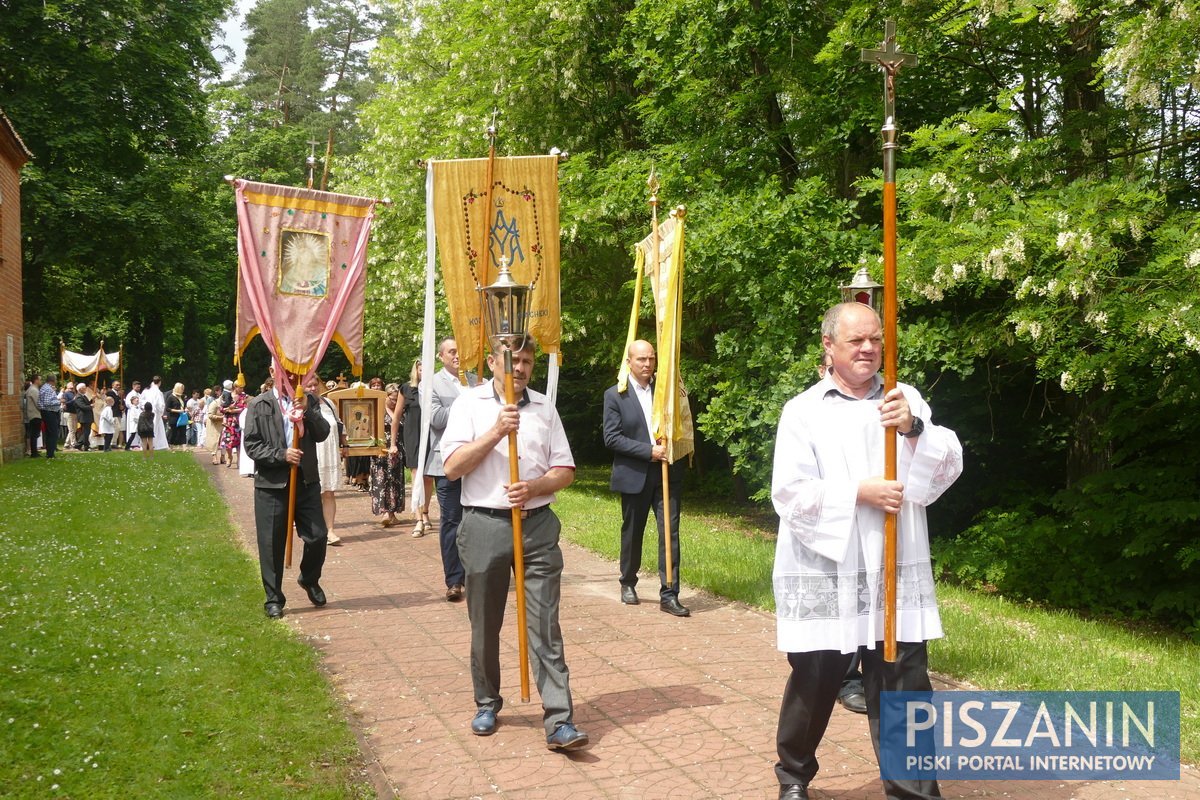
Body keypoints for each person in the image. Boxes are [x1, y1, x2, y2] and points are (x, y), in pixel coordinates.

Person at [770, 302, 963, 800]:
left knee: (903, 684)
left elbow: (946, 466)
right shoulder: (803, 410)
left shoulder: (905, 398)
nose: (868, 348)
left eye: (875, 339)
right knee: (815, 679)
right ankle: (793, 775)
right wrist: (859, 492)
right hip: (828, 568)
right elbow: (789, 493)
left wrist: (913, 429)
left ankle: (913, 790)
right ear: (828, 346)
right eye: (856, 340)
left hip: (894, 568)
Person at [442, 335, 588, 751]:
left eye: (527, 362)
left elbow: (565, 469)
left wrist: (536, 486)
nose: (520, 369)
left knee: (545, 624)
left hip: (537, 526)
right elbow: (452, 469)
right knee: (485, 622)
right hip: (484, 525)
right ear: (492, 362)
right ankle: (487, 702)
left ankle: (560, 719)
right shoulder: (468, 405)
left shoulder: (545, 407)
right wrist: (496, 431)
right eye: (513, 361)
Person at [602, 339, 690, 617]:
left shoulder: (666, 393)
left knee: (669, 533)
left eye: (651, 359)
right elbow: (612, 437)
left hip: (666, 473)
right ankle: (628, 581)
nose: (647, 364)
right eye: (641, 359)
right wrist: (648, 451)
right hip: (635, 473)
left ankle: (669, 592)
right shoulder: (616, 395)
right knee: (632, 532)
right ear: (629, 362)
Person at [242, 367, 332, 619]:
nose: (294, 379)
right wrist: (280, 455)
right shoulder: (260, 404)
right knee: (271, 543)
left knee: (318, 536)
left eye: (298, 374)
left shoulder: (310, 399)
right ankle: (274, 598)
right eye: (288, 373)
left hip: (306, 482)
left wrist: (308, 411)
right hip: (272, 484)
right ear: (273, 371)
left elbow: (322, 433)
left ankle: (309, 578)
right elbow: (251, 444)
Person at [428, 337, 472, 602]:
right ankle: (454, 580)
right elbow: (436, 418)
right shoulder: (431, 383)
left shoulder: (477, 379)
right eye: (452, 351)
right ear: (441, 356)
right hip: (445, 463)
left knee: (475, 519)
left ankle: (474, 572)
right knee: (452, 521)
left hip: (475, 462)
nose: (457, 355)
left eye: (460, 350)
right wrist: (466, 401)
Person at [308, 372, 346, 546]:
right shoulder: (300, 404)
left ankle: (330, 531)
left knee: (329, 492)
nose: (313, 388)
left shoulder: (329, 403)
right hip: (311, 453)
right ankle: (315, 531)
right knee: (311, 494)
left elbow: (339, 424)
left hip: (329, 453)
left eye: (315, 384)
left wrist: (344, 445)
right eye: (309, 385)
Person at [400, 358, 433, 537]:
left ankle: (426, 511)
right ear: (416, 370)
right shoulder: (406, 389)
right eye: (420, 369)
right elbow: (397, 415)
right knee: (416, 475)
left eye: (426, 369)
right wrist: (391, 444)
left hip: (429, 435)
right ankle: (418, 518)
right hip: (413, 435)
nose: (423, 372)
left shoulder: (432, 389)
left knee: (428, 477)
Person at [369, 385, 405, 528]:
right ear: (386, 396)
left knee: (395, 481)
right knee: (381, 480)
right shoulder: (378, 410)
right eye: (392, 399)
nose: (395, 402)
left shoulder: (400, 411)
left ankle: (392, 513)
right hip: (381, 450)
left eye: (397, 399)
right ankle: (385, 512)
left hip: (397, 451)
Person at [220, 384, 247, 468]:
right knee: (228, 441)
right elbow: (221, 408)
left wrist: (233, 410)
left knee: (239, 442)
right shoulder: (226, 395)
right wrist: (227, 409)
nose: (242, 389)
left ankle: (239, 460)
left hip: (239, 422)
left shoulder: (244, 396)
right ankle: (229, 457)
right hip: (228, 423)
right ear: (235, 387)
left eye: (242, 387)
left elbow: (245, 408)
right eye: (240, 387)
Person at [141, 376, 169, 451]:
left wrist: (144, 408)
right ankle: (153, 444)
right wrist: (161, 412)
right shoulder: (158, 392)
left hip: (147, 411)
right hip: (155, 412)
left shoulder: (147, 391)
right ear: (160, 382)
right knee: (154, 428)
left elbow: (142, 401)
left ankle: (154, 444)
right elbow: (160, 404)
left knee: (153, 428)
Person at [37, 374, 61, 459]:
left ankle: (50, 452)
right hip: (49, 412)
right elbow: (47, 403)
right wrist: (59, 401)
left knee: (50, 432)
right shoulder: (47, 389)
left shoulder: (46, 387)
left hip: (48, 412)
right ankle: (50, 454)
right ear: (53, 380)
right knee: (53, 432)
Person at [23, 374, 42, 457]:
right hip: (35, 414)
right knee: (34, 434)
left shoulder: (32, 389)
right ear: (36, 380)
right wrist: (43, 409)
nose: (40, 381)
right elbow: (38, 403)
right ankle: (34, 453)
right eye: (40, 380)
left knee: (34, 434)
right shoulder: (33, 390)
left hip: (33, 414)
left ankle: (34, 451)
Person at [72, 384, 94, 451]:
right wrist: (91, 406)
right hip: (84, 417)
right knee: (85, 432)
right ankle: (79, 445)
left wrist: (92, 400)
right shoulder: (78, 397)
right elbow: (82, 406)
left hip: (87, 416)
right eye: (84, 388)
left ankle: (85, 446)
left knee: (86, 432)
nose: (85, 389)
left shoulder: (83, 396)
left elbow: (86, 403)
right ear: (80, 389)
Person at [166, 382, 188, 448]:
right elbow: (167, 408)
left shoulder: (182, 397)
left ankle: (184, 447)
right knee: (173, 433)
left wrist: (185, 409)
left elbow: (184, 405)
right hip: (174, 417)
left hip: (182, 417)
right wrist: (177, 411)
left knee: (183, 432)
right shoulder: (171, 397)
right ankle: (171, 446)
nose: (183, 390)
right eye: (182, 389)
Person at [107, 381, 127, 448]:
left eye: (119, 385)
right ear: (113, 385)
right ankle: (111, 442)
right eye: (117, 385)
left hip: (118, 413)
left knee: (118, 428)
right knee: (116, 427)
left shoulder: (119, 394)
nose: (118, 386)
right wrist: (118, 395)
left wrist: (123, 406)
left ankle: (114, 442)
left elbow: (123, 402)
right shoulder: (110, 392)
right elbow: (112, 401)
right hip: (113, 412)